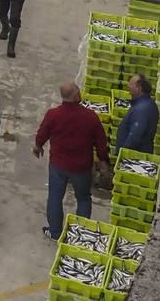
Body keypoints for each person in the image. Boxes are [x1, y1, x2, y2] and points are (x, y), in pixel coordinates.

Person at [34, 82, 111, 241]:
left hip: (58, 165)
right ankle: (81, 233)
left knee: (55, 197)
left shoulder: (53, 114)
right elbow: (101, 142)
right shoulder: (90, 116)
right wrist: (103, 159)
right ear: (76, 96)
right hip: (81, 167)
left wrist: (38, 146)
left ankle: (55, 232)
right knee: (83, 198)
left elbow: (42, 133)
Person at [115, 74, 160, 154]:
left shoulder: (141, 109)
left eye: (131, 84)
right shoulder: (149, 104)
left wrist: (123, 154)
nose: (128, 85)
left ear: (139, 88)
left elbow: (135, 137)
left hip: (133, 157)